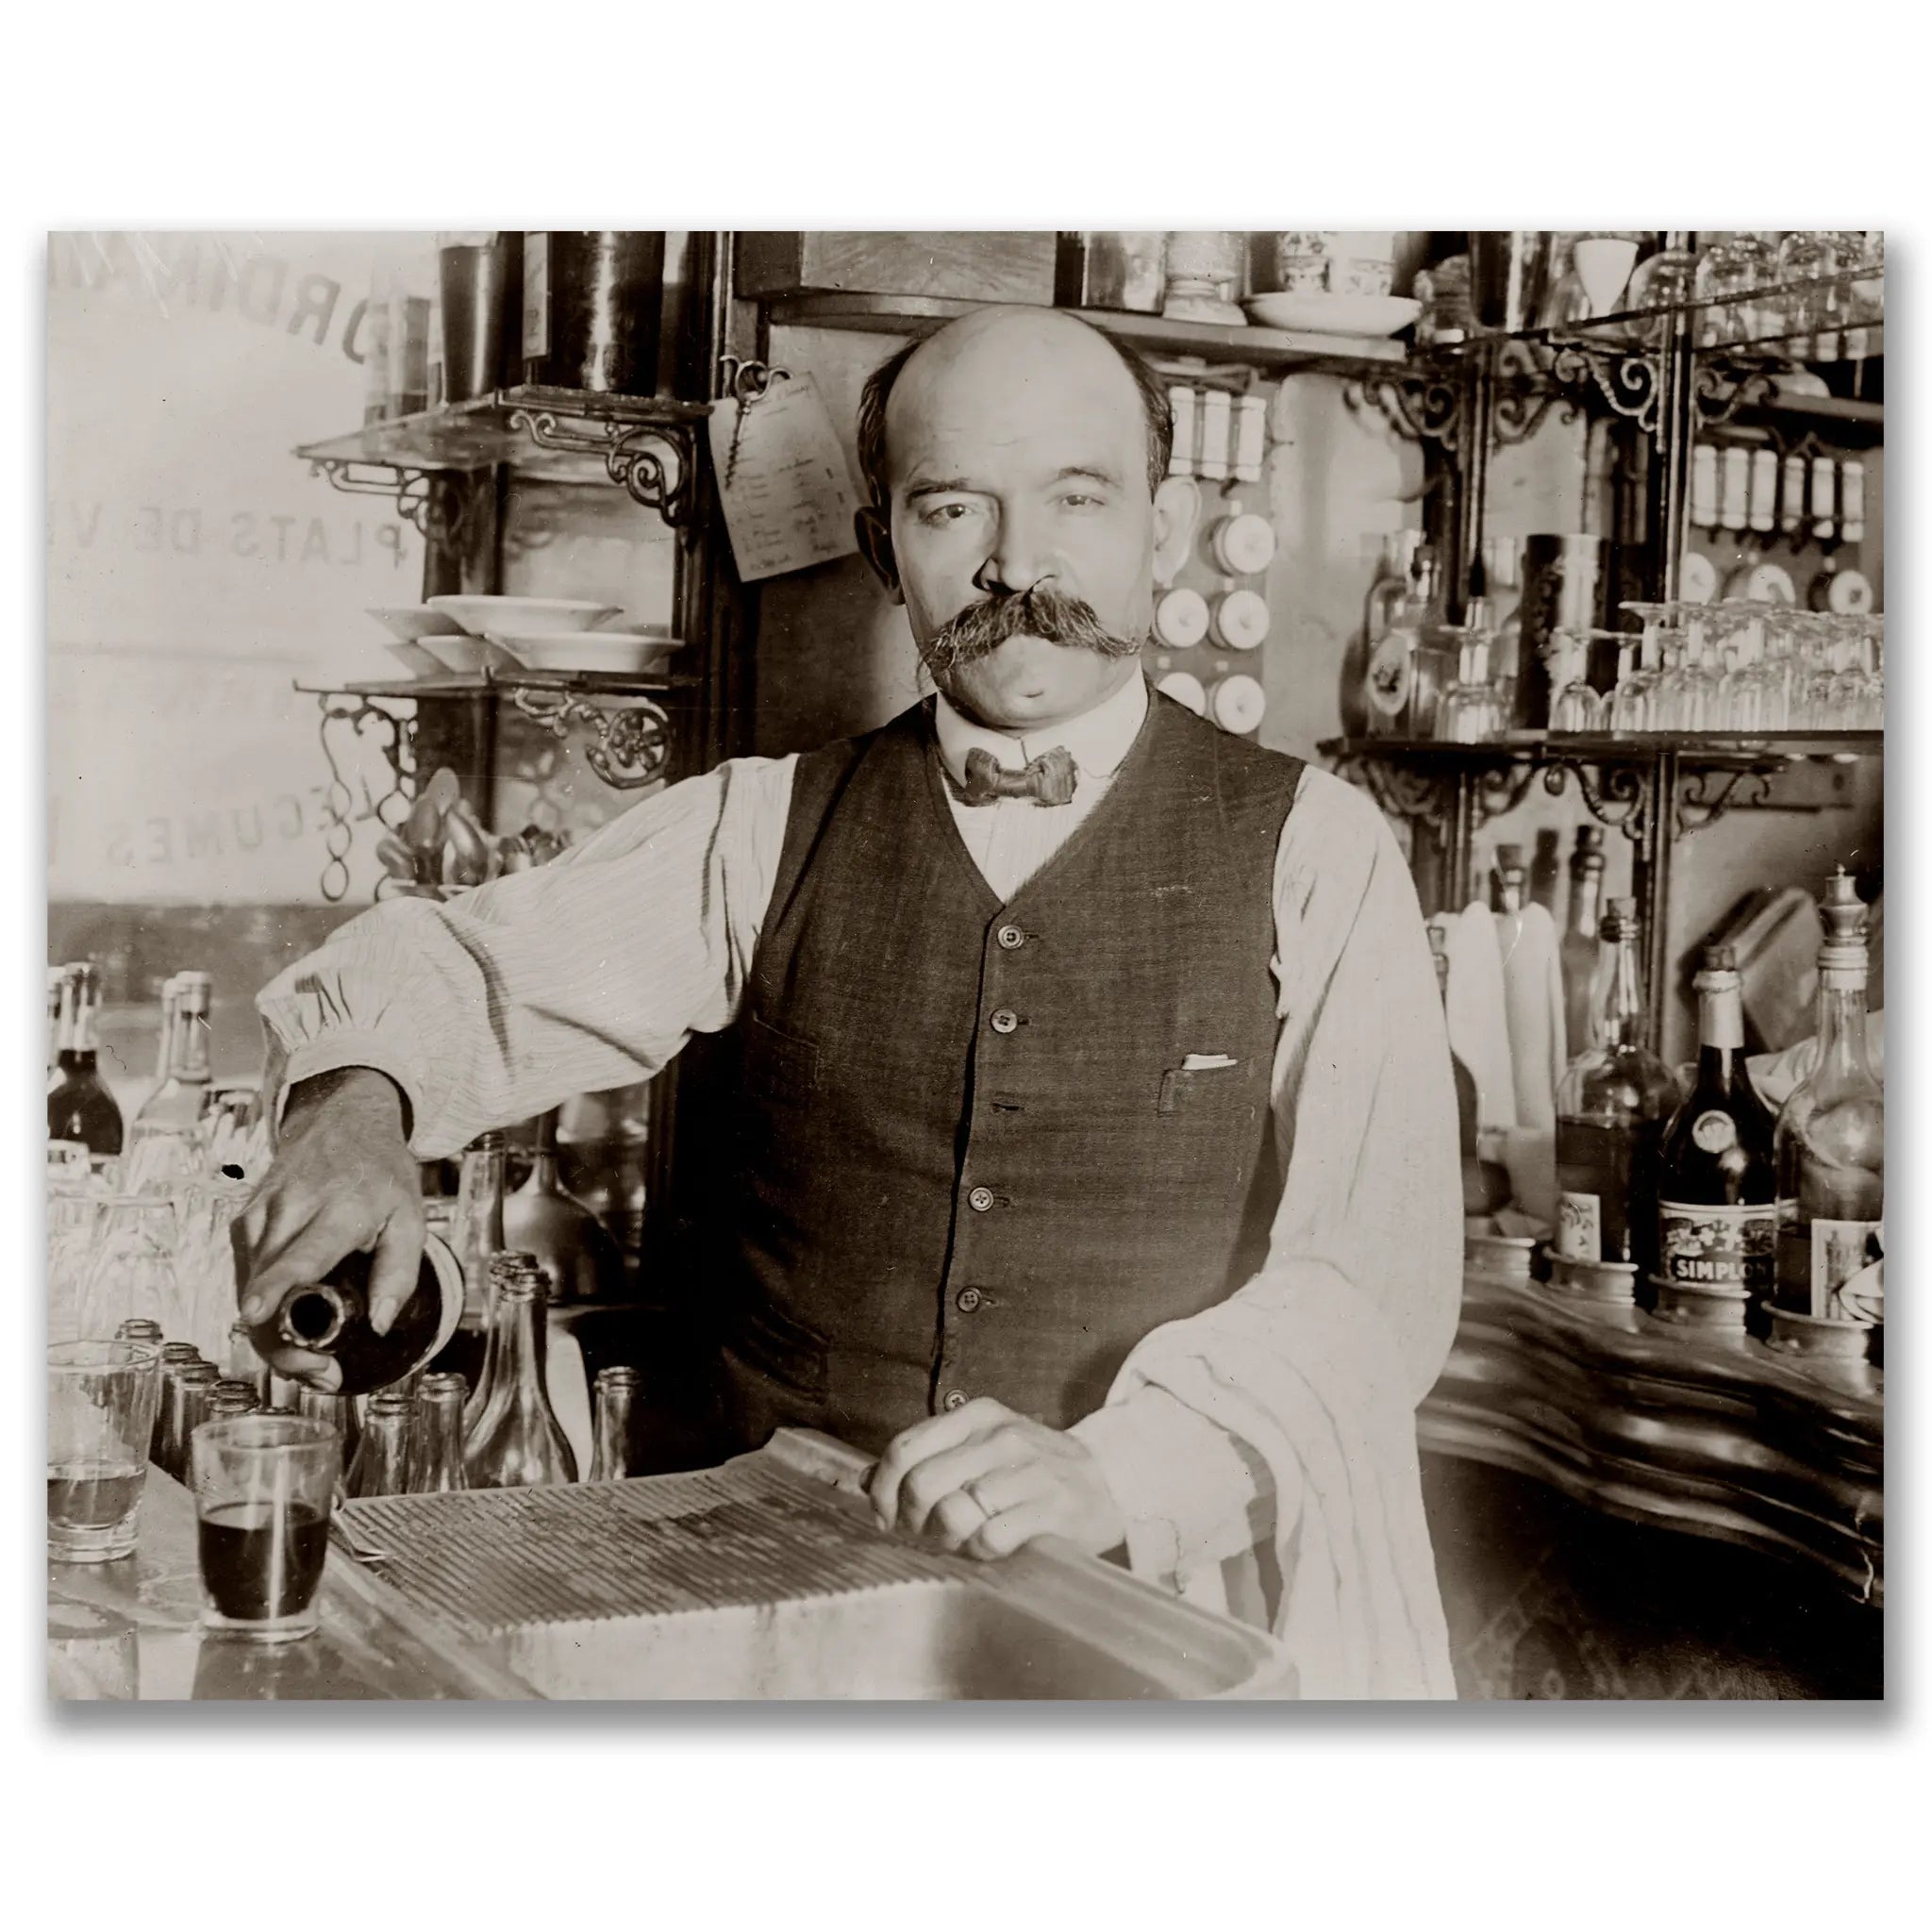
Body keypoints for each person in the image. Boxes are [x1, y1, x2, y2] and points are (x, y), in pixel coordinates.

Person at [244, 306, 1461, 1695]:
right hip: (784, 1609)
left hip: (1143, 1617)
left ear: (1159, 529)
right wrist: (356, 1100)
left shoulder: (1316, 847)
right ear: (888, 547)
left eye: (1080, 497)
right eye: (954, 509)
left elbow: (1373, 1285)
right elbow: (463, 973)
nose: (1019, 563)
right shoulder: (759, 828)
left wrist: (1111, 1466)